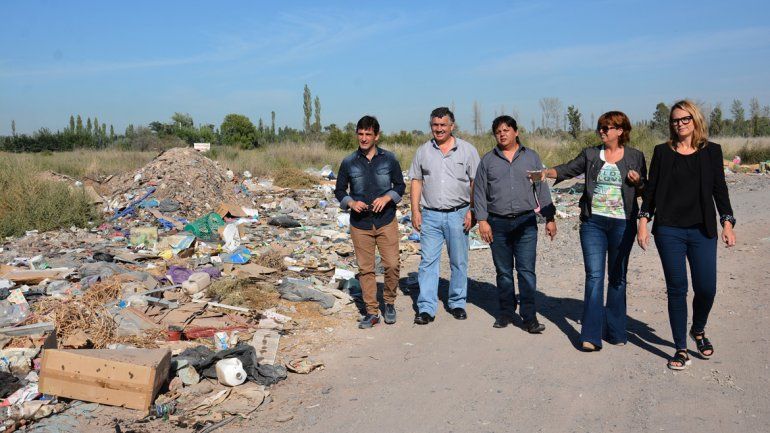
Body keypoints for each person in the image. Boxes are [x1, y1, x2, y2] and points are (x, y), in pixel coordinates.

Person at [637, 100, 736, 370]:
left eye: (685, 119)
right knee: (677, 289)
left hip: (702, 229)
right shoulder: (662, 152)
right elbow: (651, 191)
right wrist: (643, 221)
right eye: (675, 120)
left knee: (707, 288)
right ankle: (680, 348)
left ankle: (699, 330)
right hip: (669, 230)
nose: (680, 124)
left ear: (695, 120)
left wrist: (727, 223)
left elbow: (720, 190)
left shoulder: (712, 152)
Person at [538, 111, 646, 350]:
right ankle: (591, 335)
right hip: (593, 224)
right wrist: (546, 172)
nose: (602, 131)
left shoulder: (635, 156)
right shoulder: (590, 155)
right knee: (594, 277)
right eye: (600, 127)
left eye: (607, 127)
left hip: (623, 223)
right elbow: (567, 169)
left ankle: (616, 331)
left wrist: (637, 181)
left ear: (620, 131)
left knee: (617, 278)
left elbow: (644, 191)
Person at [474, 115, 556, 333]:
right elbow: (479, 192)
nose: (502, 134)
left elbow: (541, 189)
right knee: (503, 272)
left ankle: (529, 317)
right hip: (497, 223)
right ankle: (506, 312)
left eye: (506, 130)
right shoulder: (488, 160)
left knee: (526, 271)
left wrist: (550, 218)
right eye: (498, 131)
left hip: (526, 222)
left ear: (516, 132)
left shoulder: (531, 157)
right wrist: (482, 221)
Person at [408, 107, 480, 324]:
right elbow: (416, 181)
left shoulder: (467, 151)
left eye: (443, 125)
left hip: (458, 214)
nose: (438, 130)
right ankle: (426, 308)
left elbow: (476, 182)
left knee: (459, 261)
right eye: (435, 125)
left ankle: (457, 302)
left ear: (452, 126)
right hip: (430, 215)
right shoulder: (423, 151)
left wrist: (473, 211)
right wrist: (414, 211)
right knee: (428, 262)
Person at [335, 115, 406, 329]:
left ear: (377, 135)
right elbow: (339, 190)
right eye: (361, 133)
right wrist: (350, 203)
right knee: (366, 270)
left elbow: (400, 185)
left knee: (392, 264)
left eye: (368, 134)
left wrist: (387, 198)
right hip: (360, 224)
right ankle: (372, 311)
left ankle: (390, 303)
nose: (364, 138)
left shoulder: (389, 159)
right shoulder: (348, 162)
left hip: (385, 221)